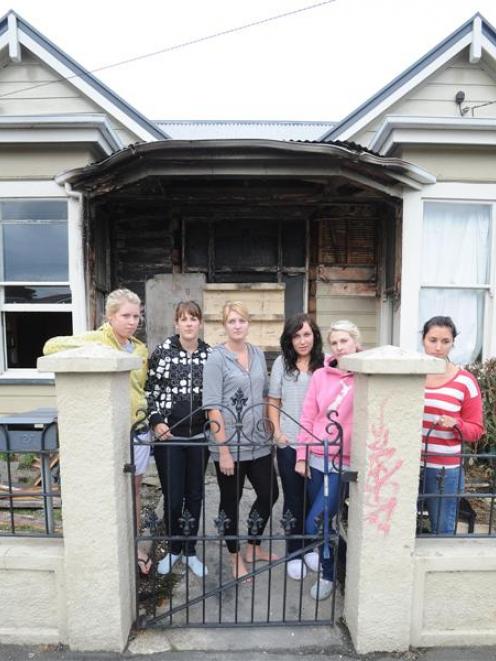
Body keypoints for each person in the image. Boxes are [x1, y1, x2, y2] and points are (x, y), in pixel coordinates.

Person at [43, 288, 151, 574]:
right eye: (125, 316)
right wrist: (98, 351)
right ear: (110, 316)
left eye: (136, 316)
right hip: (107, 431)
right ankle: (108, 550)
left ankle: (135, 544)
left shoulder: (140, 349)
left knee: (136, 490)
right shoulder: (96, 339)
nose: (132, 321)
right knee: (109, 490)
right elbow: (50, 347)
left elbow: (141, 388)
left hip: (137, 431)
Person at [202, 301, 279, 581]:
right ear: (224, 325)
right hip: (230, 445)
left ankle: (253, 547)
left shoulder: (257, 353)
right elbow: (213, 407)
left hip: (257, 440)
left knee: (270, 493)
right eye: (232, 321)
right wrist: (223, 452)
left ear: (248, 324)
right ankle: (234, 558)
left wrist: (271, 429)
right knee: (230, 501)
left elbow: (266, 394)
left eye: (242, 321)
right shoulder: (216, 358)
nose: (237, 326)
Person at [295, 319, 360, 601]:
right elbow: (308, 417)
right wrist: (301, 456)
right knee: (323, 522)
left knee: (316, 523)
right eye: (334, 342)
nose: (339, 347)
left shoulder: (366, 375)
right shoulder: (321, 375)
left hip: (342, 462)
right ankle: (328, 566)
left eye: (344, 341)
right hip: (316, 459)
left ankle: (330, 573)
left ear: (356, 342)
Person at [146, 301, 211, 577]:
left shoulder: (210, 355)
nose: (188, 323)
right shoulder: (162, 352)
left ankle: (190, 550)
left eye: (193, 318)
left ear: (199, 323)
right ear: (176, 324)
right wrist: (157, 421)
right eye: (183, 319)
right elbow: (150, 391)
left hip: (199, 436)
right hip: (169, 437)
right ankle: (173, 549)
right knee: (173, 497)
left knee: (194, 495)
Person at [268, 313, 324, 581]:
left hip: (318, 444)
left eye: (307, 334)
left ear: (315, 336)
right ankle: (294, 552)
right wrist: (277, 432)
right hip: (289, 442)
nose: (302, 341)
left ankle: (311, 548)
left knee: (315, 500)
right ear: (290, 339)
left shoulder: (326, 364)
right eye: (297, 335)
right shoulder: (282, 363)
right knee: (293, 498)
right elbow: (273, 400)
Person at [420, 316, 484, 534]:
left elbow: (476, 430)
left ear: (453, 343)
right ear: (423, 340)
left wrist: (456, 424)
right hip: (406, 465)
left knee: (442, 530)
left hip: (443, 470)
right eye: (433, 340)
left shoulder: (466, 381)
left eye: (445, 341)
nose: (438, 347)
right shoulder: (410, 374)